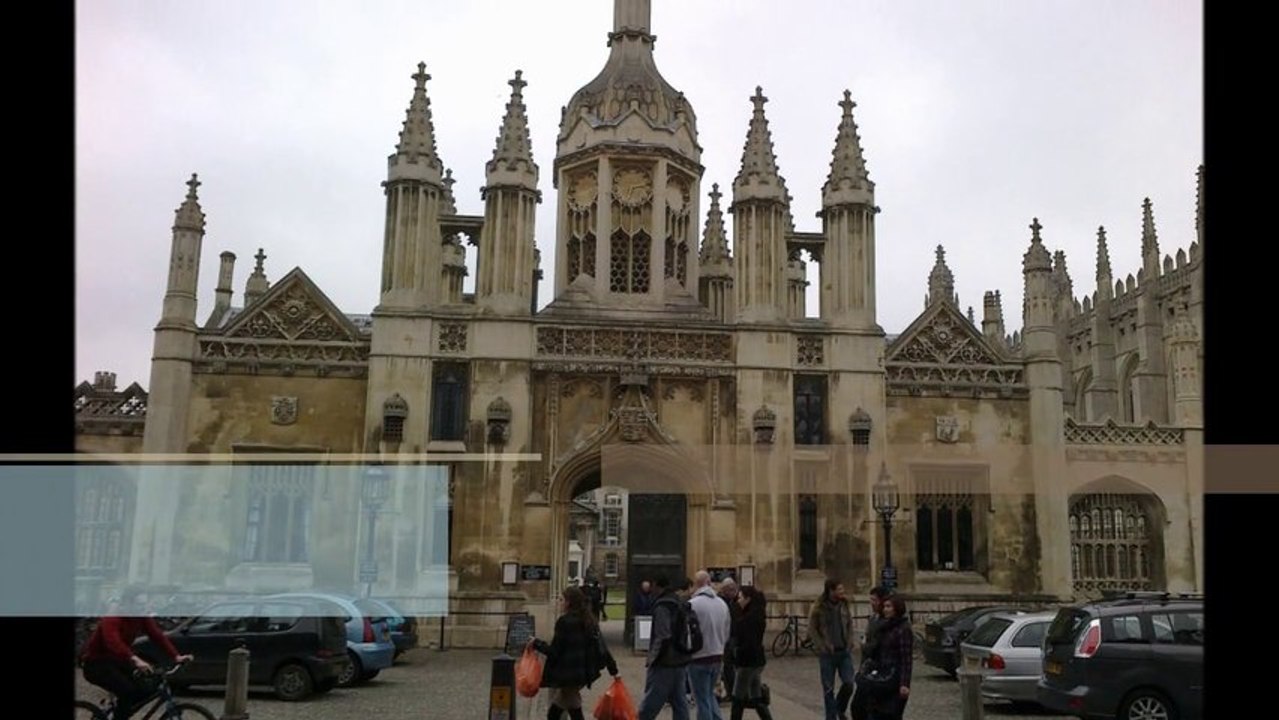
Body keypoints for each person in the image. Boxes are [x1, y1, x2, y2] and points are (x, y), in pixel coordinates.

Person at [79, 585, 194, 720]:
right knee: (127, 691)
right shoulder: (113, 618)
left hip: (119, 661)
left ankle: (119, 710)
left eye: (144, 604)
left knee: (148, 685)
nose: (142, 608)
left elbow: (157, 636)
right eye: (139, 604)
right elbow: (114, 643)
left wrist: (176, 656)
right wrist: (135, 659)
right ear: (127, 603)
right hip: (97, 663)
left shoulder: (141, 617)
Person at [528, 585, 619, 720]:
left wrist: (536, 643)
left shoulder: (564, 622)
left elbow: (555, 652)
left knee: (563, 711)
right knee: (563, 710)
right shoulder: (589, 620)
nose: (559, 603)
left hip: (568, 674)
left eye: (561, 600)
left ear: (569, 602)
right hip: (583, 672)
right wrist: (614, 670)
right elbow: (602, 647)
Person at [636, 573, 693, 720]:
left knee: (651, 702)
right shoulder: (679, 602)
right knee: (679, 702)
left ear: (656, 585)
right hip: (680, 659)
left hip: (665, 661)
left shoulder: (663, 606)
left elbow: (663, 636)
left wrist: (653, 658)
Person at [807, 578, 856, 720]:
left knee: (849, 683)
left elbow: (850, 624)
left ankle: (839, 708)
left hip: (844, 651)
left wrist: (850, 640)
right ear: (831, 590)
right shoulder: (819, 607)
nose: (842, 592)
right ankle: (831, 717)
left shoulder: (844, 604)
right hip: (827, 654)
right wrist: (821, 646)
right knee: (828, 689)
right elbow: (812, 629)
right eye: (839, 589)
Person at [688, 570, 731, 719]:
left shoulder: (692, 604)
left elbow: (686, 632)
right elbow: (727, 631)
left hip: (699, 657)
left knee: (702, 700)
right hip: (717, 656)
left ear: (696, 584)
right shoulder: (722, 604)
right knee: (709, 695)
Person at [865, 594, 913, 720]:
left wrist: (904, 683)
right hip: (880, 678)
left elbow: (906, 658)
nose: (885, 609)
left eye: (889, 606)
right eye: (884, 606)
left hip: (894, 679)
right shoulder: (884, 626)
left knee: (891, 714)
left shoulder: (903, 629)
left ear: (897, 608)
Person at [728, 585, 772, 720]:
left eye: (740, 597)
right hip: (756, 660)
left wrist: (737, 653)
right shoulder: (756, 615)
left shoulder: (749, 619)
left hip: (747, 662)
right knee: (756, 695)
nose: (738, 601)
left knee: (737, 697)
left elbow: (746, 639)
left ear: (748, 599)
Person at [850, 586, 888, 720]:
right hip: (866, 669)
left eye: (874, 600)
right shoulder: (873, 619)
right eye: (870, 600)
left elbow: (876, 646)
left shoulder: (886, 622)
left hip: (878, 672)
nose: (871, 603)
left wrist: (864, 645)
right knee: (858, 707)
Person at [716, 578, 740, 704]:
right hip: (727, 637)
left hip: (734, 637)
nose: (726, 593)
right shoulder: (723, 601)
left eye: (728, 590)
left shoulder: (739, 602)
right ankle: (731, 692)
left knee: (731, 667)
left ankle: (734, 693)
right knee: (727, 667)